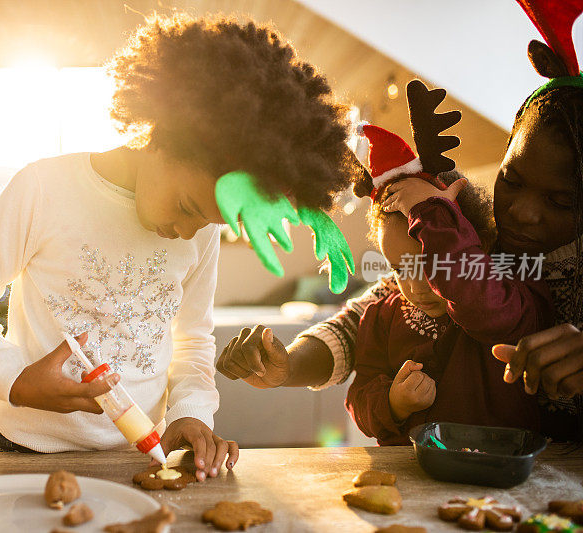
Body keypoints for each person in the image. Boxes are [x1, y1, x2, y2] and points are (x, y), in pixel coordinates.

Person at [0, 13, 360, 478]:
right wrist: (14, 380)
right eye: (186, 206)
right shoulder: (43, 189)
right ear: (166, 136)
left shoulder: (203, 231)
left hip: (140, 449)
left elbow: (193, 336)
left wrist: (191, 412)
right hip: (26, 450)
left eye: (208, 221)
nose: (188, 230)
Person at [216, 38, 583, 442]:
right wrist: (295, 368)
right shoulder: (394, 305)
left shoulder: (513, 286)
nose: (522, 212)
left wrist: (433, 215)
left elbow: (479, 297)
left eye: (562, 200)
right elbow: (358, 345)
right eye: (511, 179)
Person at [344, 125, 553, 443]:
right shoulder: (379, 318)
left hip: (493, 478)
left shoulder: (510, 296)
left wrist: (431, 213)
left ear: (478, 244)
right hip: (409, 482)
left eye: (430, 264)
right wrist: (392, 403)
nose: (414, 286)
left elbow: (473, 295)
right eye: (400, 269)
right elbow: (359, 398)